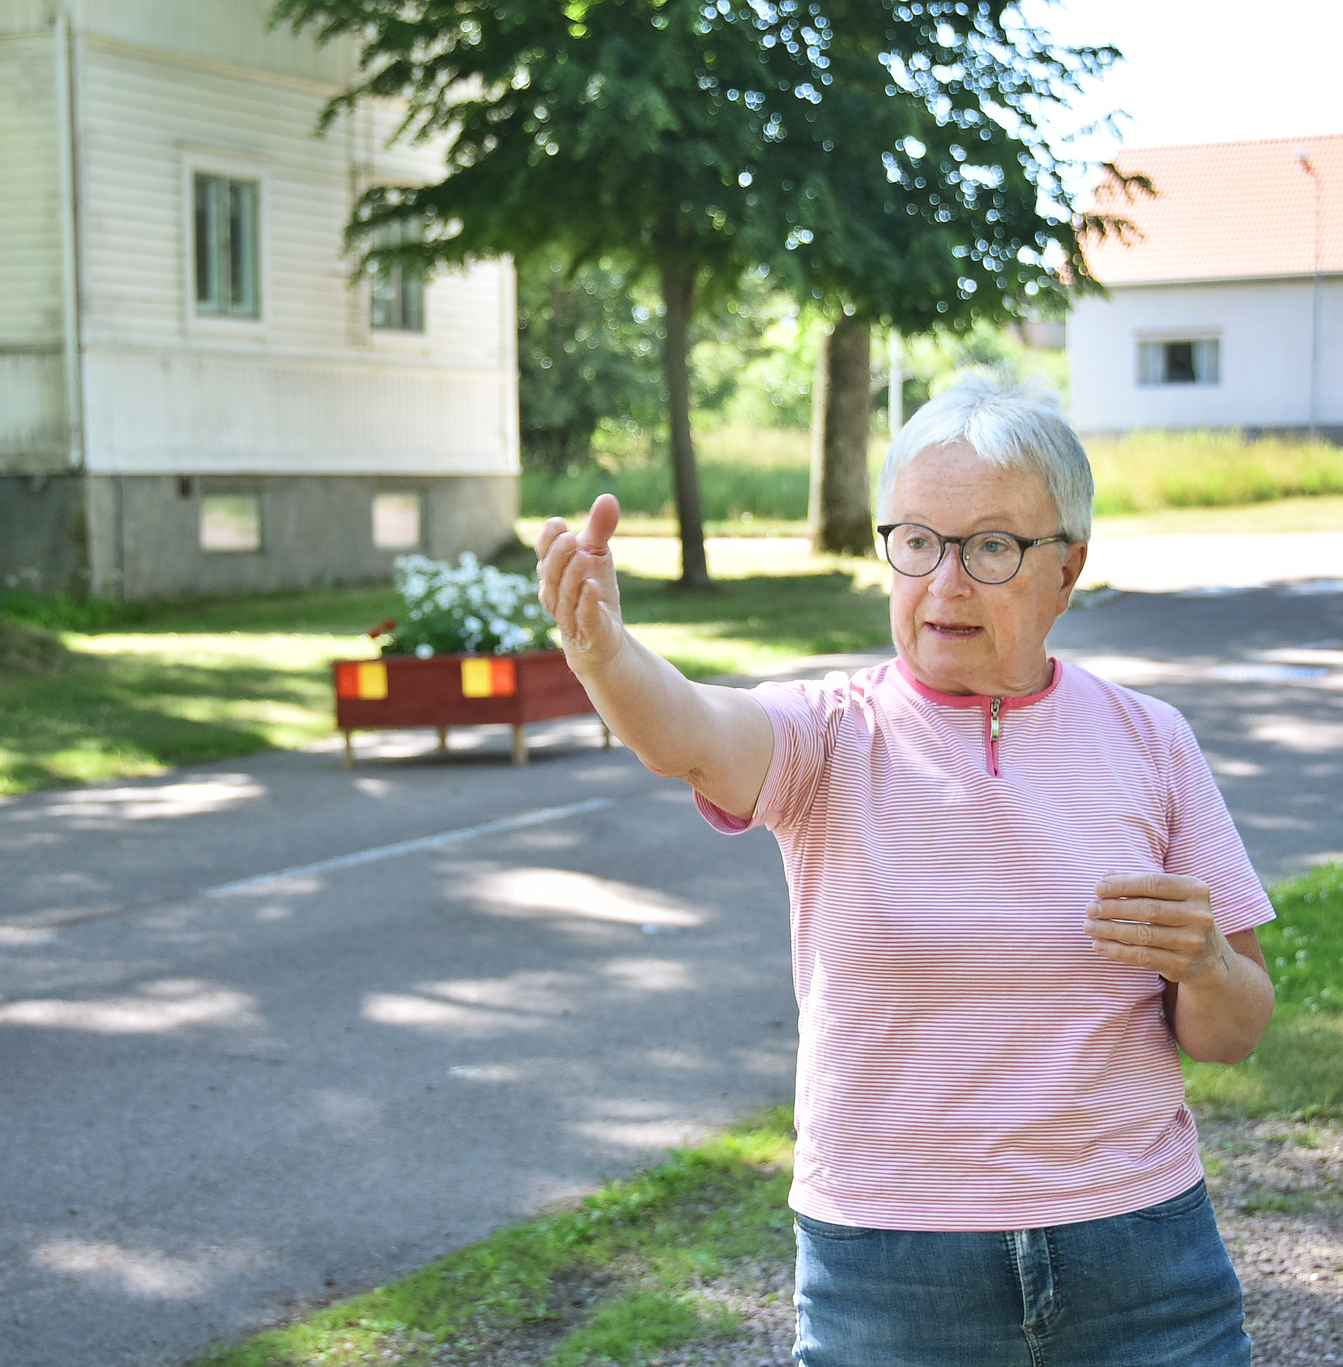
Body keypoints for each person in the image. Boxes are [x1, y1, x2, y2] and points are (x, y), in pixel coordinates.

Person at [534, 376, 1276, 1367]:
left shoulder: (1151, 741)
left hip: (1136, 1254)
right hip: (890, 1270)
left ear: (1068, 566)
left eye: (991, 547)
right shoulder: (830, 733)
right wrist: (606, 658)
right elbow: (689, 731)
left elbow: (1234, 1028)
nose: (944, 583)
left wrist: (1203, 964)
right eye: (917, 541)